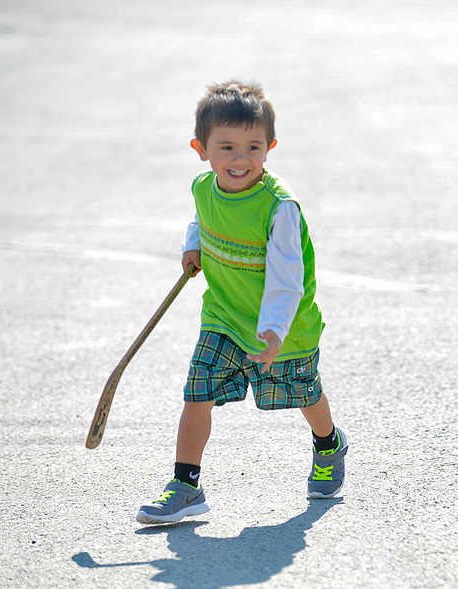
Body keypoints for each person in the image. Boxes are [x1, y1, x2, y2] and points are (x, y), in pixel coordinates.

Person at [137, 81, 347, 524]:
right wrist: (193, 245)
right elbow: (202, 215)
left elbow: (287, 280)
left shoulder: (278, 208)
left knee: (303, 394)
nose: (240, 159)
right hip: (224, 318)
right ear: (201, 149)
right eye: (227, 146)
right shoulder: (203, 186)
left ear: (270, 147)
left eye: (253, 147)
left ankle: (329, 443)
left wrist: (273, 332)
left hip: (283, 327)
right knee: (198, 396)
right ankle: (186, 484)